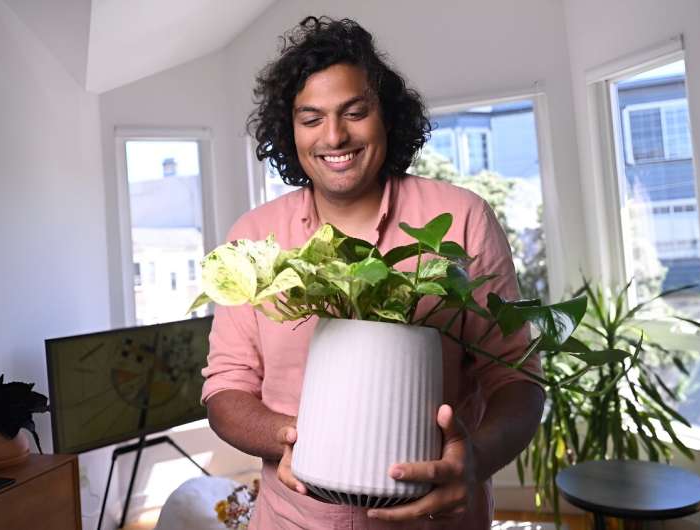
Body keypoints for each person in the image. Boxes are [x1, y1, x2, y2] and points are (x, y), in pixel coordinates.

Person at [201, 16, 544, 530]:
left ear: (387, 116)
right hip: (292, 520)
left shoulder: (463, 217)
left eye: (355, 112)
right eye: (310, 118)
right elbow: (225, 390)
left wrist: (471, 462)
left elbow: (516, 377)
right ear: (289, 129)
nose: (334, 135)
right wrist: (291, 437)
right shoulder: (254, 239)